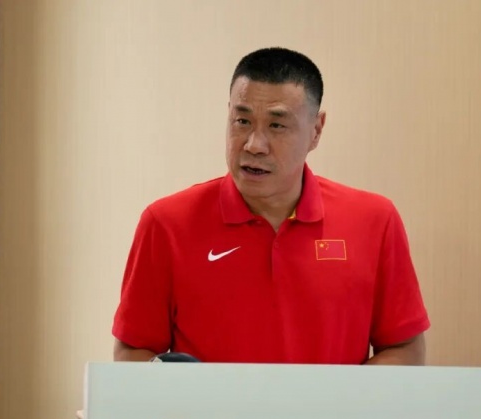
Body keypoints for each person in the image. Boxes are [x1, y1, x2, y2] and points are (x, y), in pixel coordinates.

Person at [111, 47, 430, 365]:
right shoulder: (166, 223)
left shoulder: (374, 220)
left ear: (316, 130)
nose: (254, 145)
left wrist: (342, 396)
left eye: (277, 125)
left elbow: (405, 349)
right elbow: (133, 351)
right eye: (242, 121)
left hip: (334, 404)